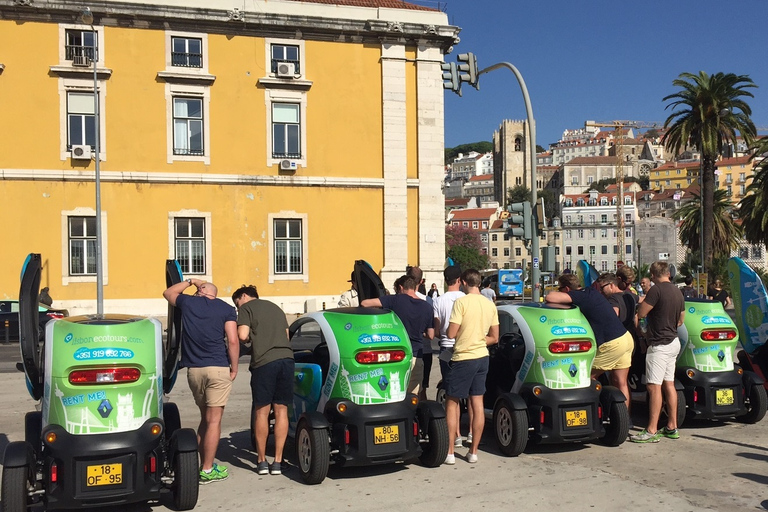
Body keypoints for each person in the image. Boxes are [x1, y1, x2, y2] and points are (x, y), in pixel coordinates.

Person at [163, 278, 238, 484]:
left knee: (205, 418)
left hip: (194, 370)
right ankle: (207, 469)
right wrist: (235, 367)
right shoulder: (226, 308)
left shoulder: (189, 303)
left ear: (200, 291)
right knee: (214, 420)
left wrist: (189, 281)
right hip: (218, 368)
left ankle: (198, 465)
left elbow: (168, 293)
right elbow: (232, 340)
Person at [232, 285, 295, 476]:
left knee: (262, 411)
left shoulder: (246, 309)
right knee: (281, 410)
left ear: (243, 296)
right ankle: (277, 461)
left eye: (237, 304)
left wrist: (250, 337)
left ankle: (261, 461)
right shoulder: (276, 308)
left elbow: (242, 335)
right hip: (287, 360)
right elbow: (286, 337)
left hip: (265, 363)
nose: (237, 308)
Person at [546, 274, 634, 408]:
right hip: (625, 338)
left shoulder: (580, 296)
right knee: (621, 382)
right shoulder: (591, 292)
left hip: (611, 343)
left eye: (560, 288)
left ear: (567, 289)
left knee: (583, 378)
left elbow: (550, 297)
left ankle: (589, 413)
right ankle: (625, 421)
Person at [444, 269, 499, 465]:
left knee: (452, 401)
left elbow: (451, 333)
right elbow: (494, 337)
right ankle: (473, 451)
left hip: (464, 357)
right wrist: (478, 338)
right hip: (482, 357)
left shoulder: (461, 302)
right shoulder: (489, 304)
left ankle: (450, 452)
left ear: (464, 282)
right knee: (478, 403)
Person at [630, 261, 685, 443]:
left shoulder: (656, 290)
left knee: (653, 387)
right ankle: (672, 426)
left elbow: (643, 313)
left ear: (653, 275)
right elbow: (681, 320)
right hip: (673, 341)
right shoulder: (677, 291)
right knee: (669, 384)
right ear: (669, 273)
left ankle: (651, 430)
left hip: (659, 344)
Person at [361, 275, 434, 394]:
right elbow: (431, 335)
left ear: (400, 287)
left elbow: (365, 303)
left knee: (394, 392)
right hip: (417, 355)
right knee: (413, 395)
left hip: (396, 355)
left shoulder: (395, 300)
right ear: (415, 288)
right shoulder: (427, 307)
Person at [432, 265, 467, 448]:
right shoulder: (466, 298)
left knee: (451, 394)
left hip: (447, 349)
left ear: (445, 281)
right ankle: (469, 434)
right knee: (471, 394)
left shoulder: (438, 301)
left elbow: (437, 330)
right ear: (460, 280)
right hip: (466, 347)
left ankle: (456, 435)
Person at [596, 273, 638, 415]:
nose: (601, 291)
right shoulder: (630, 296)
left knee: (599, 377)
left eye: (602, 288)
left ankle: (610, 413)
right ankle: (626, 417)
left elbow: (613, 318)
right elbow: (636, 318)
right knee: (622, 381)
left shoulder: (613, 299)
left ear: (612, 285)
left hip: (615, 340)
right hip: (630, 339)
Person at [407, 266, 434, 400]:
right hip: (425, 349)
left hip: (407, 349)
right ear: (421, 281)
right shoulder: (427, 300)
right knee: (422, 388)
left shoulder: (399, 299)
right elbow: (431, 331)